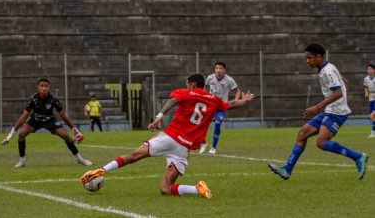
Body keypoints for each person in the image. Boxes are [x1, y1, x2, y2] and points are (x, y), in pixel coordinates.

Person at [80, 74, 254, 198]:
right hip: (183, 149)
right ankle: (197, 189)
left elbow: (172, 101)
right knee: (165, 189)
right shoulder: (213, 100)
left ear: (193, 84)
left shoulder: (186, 93)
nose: (186, 87)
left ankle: (102, 170)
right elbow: (230, 104)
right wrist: (244, 100)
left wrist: (159, 117)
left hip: (170, 138)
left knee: (134, 156)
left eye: (188, 84)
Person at [267, 44, 368, 180]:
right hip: (330, 110)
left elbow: (338, 93)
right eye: (306, 58)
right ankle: (287, 169)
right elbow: (343, 82)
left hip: (337, 112)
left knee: (321, 142)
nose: (307, 60)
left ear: (319, 56)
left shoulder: (328, 71)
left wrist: (317, 107)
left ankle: (358, 157)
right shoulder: (326, 68)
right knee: (302, 133)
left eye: (309, 58)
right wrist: (341, 79)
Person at [1, 78, 92, 168]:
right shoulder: (33, 99)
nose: (44, 88)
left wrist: (75, 130)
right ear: (38, 87)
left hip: (50, 120)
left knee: (66, 136)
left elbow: (63, 116)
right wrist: (10, 135)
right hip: (35, 120)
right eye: (41, 86)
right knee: (21, 133)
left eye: (46, 86)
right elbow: (23, 117)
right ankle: (22, 160)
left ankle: (80, 159)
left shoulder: (53, 99)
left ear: (49, 87)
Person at [199, 62, 240, 154]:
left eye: (220, 68)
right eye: (217, 68)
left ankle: (213, 147)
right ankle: (203, 143)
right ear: (215, 69)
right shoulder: (210, 78)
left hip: (222, 106)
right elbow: (205, 87)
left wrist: (236, 100)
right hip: (211, 105)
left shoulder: (229, 80)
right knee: (201, 123)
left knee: (217, 124)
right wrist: (204, 96)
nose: (218, 70)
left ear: (224, 70)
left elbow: (237, 91)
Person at [364, 63, 375, 138]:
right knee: (372, 116)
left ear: (374, 70)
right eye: (368, 69)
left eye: (371, 69)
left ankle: (372, 133)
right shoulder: (366, 79)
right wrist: (366, 93)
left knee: (373, 115)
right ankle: (373, 133)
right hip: (371, 98)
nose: (369, 70)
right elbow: (365, 86)